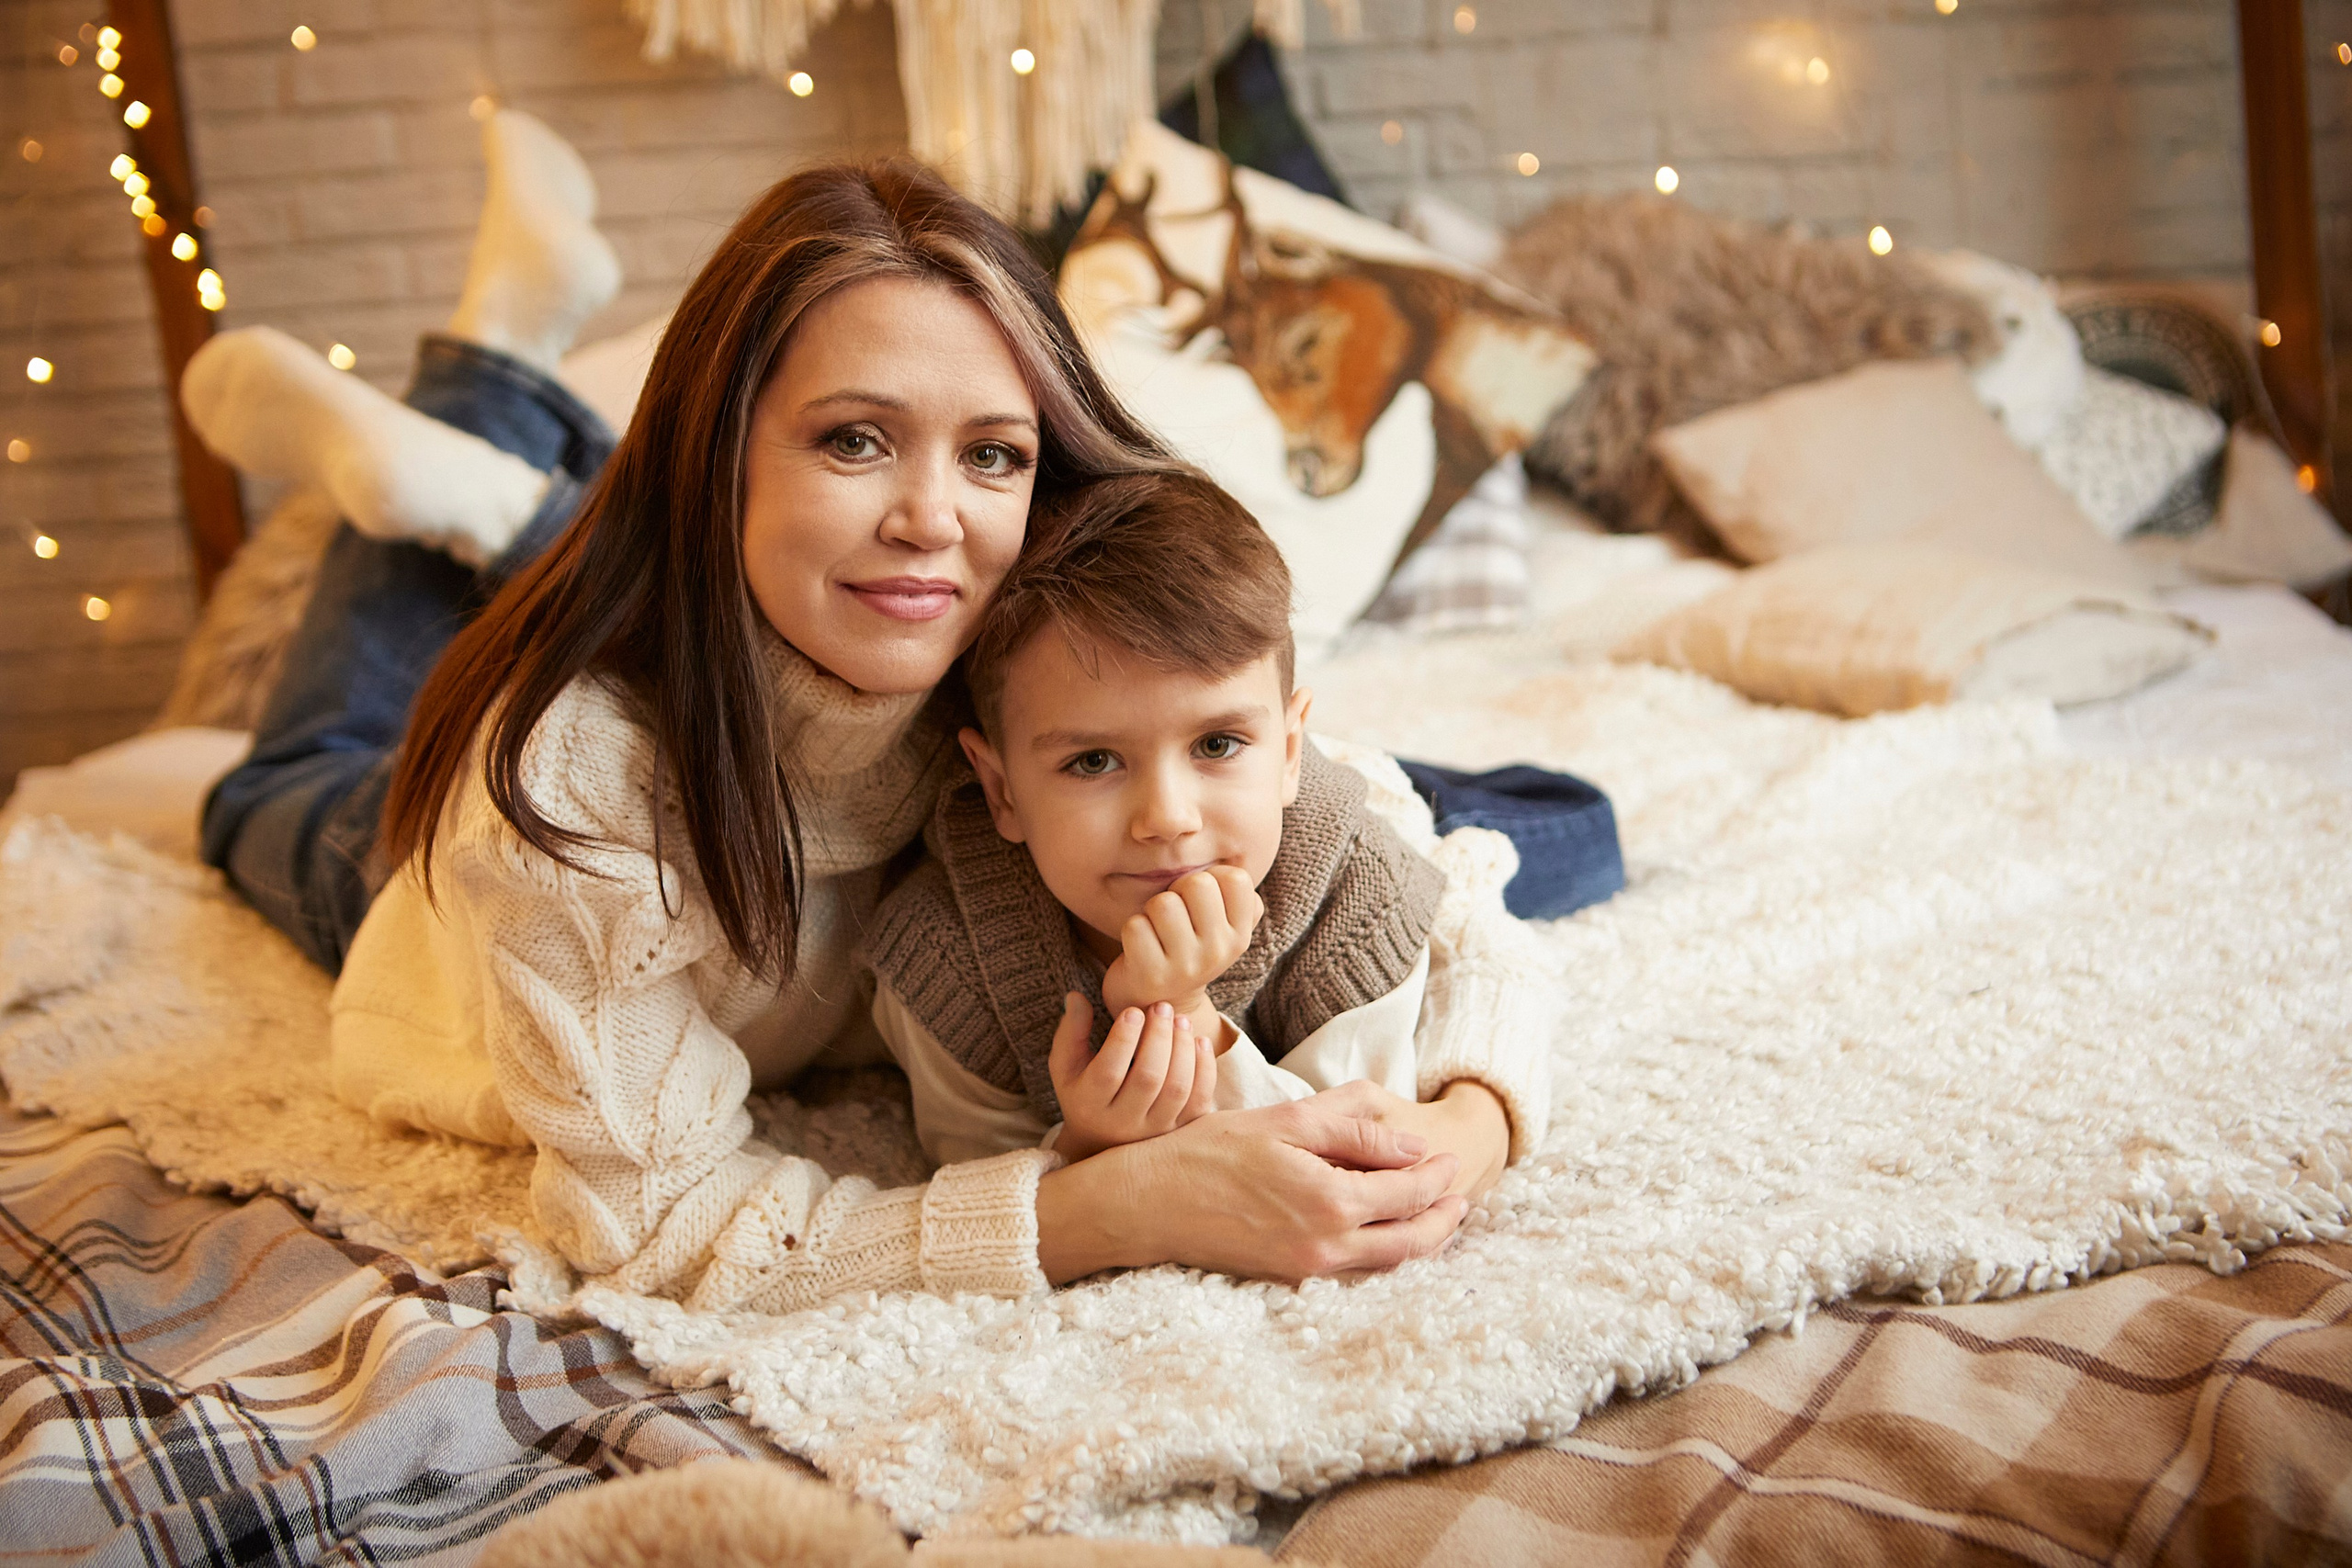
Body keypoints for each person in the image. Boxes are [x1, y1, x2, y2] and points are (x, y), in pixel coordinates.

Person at [180, 112, 1553, 1317]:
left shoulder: (1004, 618)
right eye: (854, 438)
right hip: (424, 909)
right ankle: (481, 376)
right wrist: (1119, 1205)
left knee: (1560, 830)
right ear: (722, 451)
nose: (932, 521)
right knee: (273, 787)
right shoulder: (569, 796)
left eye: (992, 453)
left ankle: (503, 377)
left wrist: (1471, 1128)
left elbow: (1397, 856)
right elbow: (662, 1224)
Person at [868, 468, 1504, 1168]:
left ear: (1289, 751)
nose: (1167, 818)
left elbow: (1355, 1160)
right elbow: (983, 1185)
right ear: (1002, 791)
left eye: (1217, 744)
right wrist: (1086, 1145)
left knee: (1548, 836)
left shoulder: (1360, 900)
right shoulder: (946, 957)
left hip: (1392, 789)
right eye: (1093, 761)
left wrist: (1190, 1014)